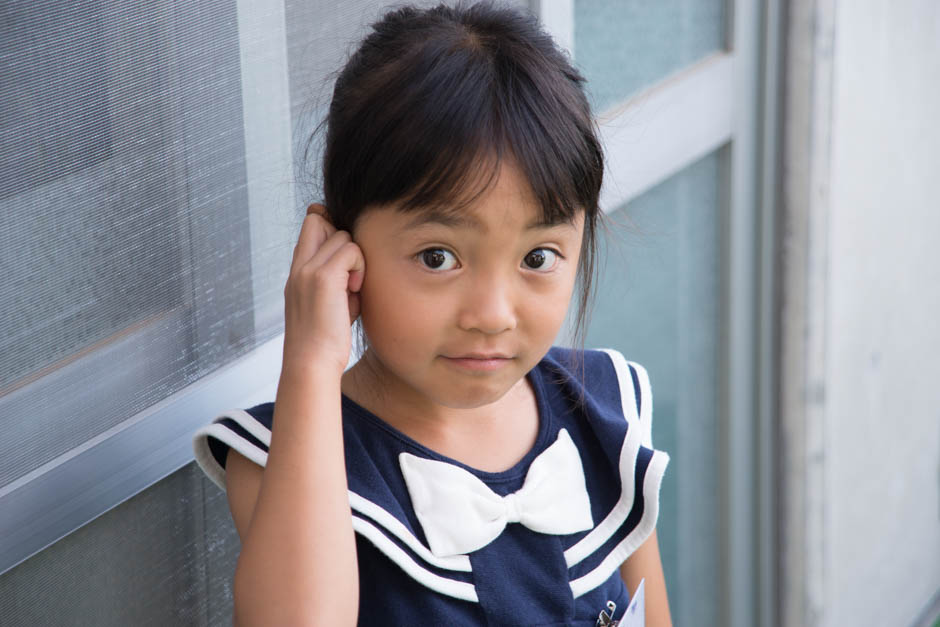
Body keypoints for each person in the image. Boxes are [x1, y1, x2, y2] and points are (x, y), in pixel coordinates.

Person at [192, 2, 671, 624]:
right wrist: (311, 361)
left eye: (538, 256)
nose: (492, 314)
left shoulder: (603, 413)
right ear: (343, 245)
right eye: (438, 256)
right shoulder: (293, 452)